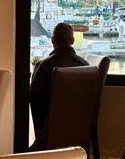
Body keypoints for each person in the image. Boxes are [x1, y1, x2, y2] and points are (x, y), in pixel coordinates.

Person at [29, 22, 89, 150]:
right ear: (72, 41)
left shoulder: (44, 66)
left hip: (50, 130)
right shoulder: (86, 66)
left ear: (52, 41)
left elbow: (34, 101)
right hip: (81, 127)